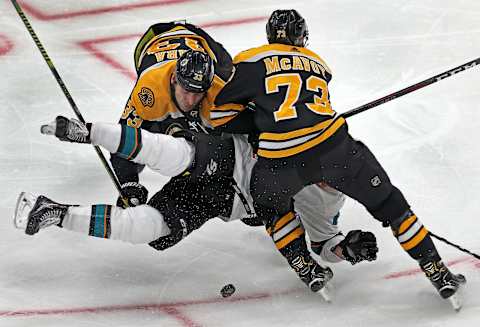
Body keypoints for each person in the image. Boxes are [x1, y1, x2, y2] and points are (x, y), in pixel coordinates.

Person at [212, 9, 465, 306]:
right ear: (301, 36)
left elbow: (220, 116)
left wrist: (262, 122)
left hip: (281, 160)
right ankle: (437, 272)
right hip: (334, 149)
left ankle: (304, 266)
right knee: (391, 205)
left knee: (271, 208)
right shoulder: (320, 64)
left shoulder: (249, 60)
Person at [14, 115, 378, 280]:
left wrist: (346, 250)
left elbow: (324, 244)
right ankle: (86, 132)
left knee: (149, 230)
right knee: (177, 154)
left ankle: (53, 213)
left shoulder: (330, 202)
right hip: (230, 155)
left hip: (222, 200)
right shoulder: (306, 137)